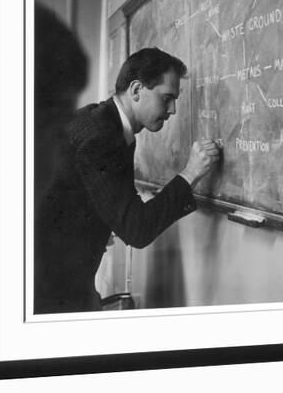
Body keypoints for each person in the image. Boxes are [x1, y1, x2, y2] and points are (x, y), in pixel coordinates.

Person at [34, 47, 220, 314]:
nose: (173, 110)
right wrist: (190, 174)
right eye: (166, 98)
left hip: (56, 280)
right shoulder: (102, 138)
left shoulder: (100, 121)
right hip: (53, 290)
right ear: (136, 91)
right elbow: (137, 229)